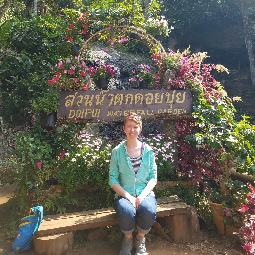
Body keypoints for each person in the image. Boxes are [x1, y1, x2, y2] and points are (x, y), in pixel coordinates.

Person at [109, 113, 157, 255]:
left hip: (145, 193)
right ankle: (128, 239)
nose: (132, 130)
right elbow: (113, 179)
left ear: (140, 129)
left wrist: (141, 197)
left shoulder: (148, 151)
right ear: (124, 129)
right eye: (129, 127)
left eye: (135, 127)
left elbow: (153, 178)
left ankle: (140, 238)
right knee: (126, 211)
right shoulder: (117, 152)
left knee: (149, 209)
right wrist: (129, 197)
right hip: (124, 194)